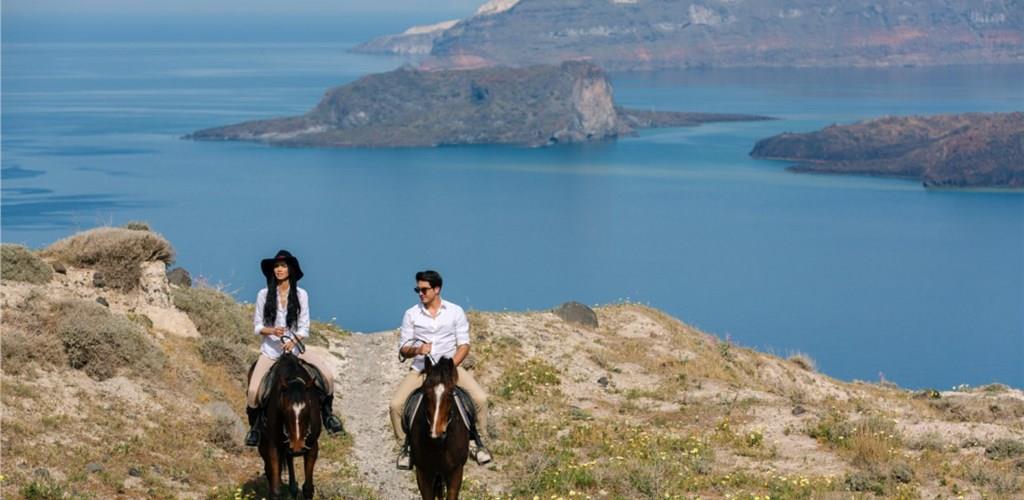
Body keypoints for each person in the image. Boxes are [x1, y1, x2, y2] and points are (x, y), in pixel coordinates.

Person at [389, 270, 492, 470]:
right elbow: (403, 348)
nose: (420, 293)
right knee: (396, 405)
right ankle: (405, 448)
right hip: (422, 370)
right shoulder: (411, 314)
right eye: (417, 289)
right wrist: (418, 349)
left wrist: (450, 366)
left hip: (449, 369)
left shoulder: (455, 311)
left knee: (480, 399)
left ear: (437, 289)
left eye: (424, 289)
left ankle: (479, 443)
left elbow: (464, 345)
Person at [244, 250, 344, 446]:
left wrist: (293, 340)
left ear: (291, 269)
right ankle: (255, 428)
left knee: (328, 376)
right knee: (253, 391)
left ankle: (328, 416)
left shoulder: (301, 294)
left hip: (297, 349)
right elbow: (257, 326)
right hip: (271, 353)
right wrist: (271, 330)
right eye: (276, 266)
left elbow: (304, 326)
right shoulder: (263, 295)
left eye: (283, 266)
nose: (279, 270)